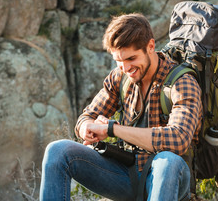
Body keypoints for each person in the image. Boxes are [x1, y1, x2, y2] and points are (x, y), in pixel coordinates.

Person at [39, 13, 202, 201]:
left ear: (150, 46)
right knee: (58, 151)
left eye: (131, 58)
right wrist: (88, 129)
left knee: (168, 161)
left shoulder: (182, 83)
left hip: (168, 178)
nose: (125, 67)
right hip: (125, 176)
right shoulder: (120, 77)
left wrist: (112, 129)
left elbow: (178, 139)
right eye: (119, 60)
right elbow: (85, 118)